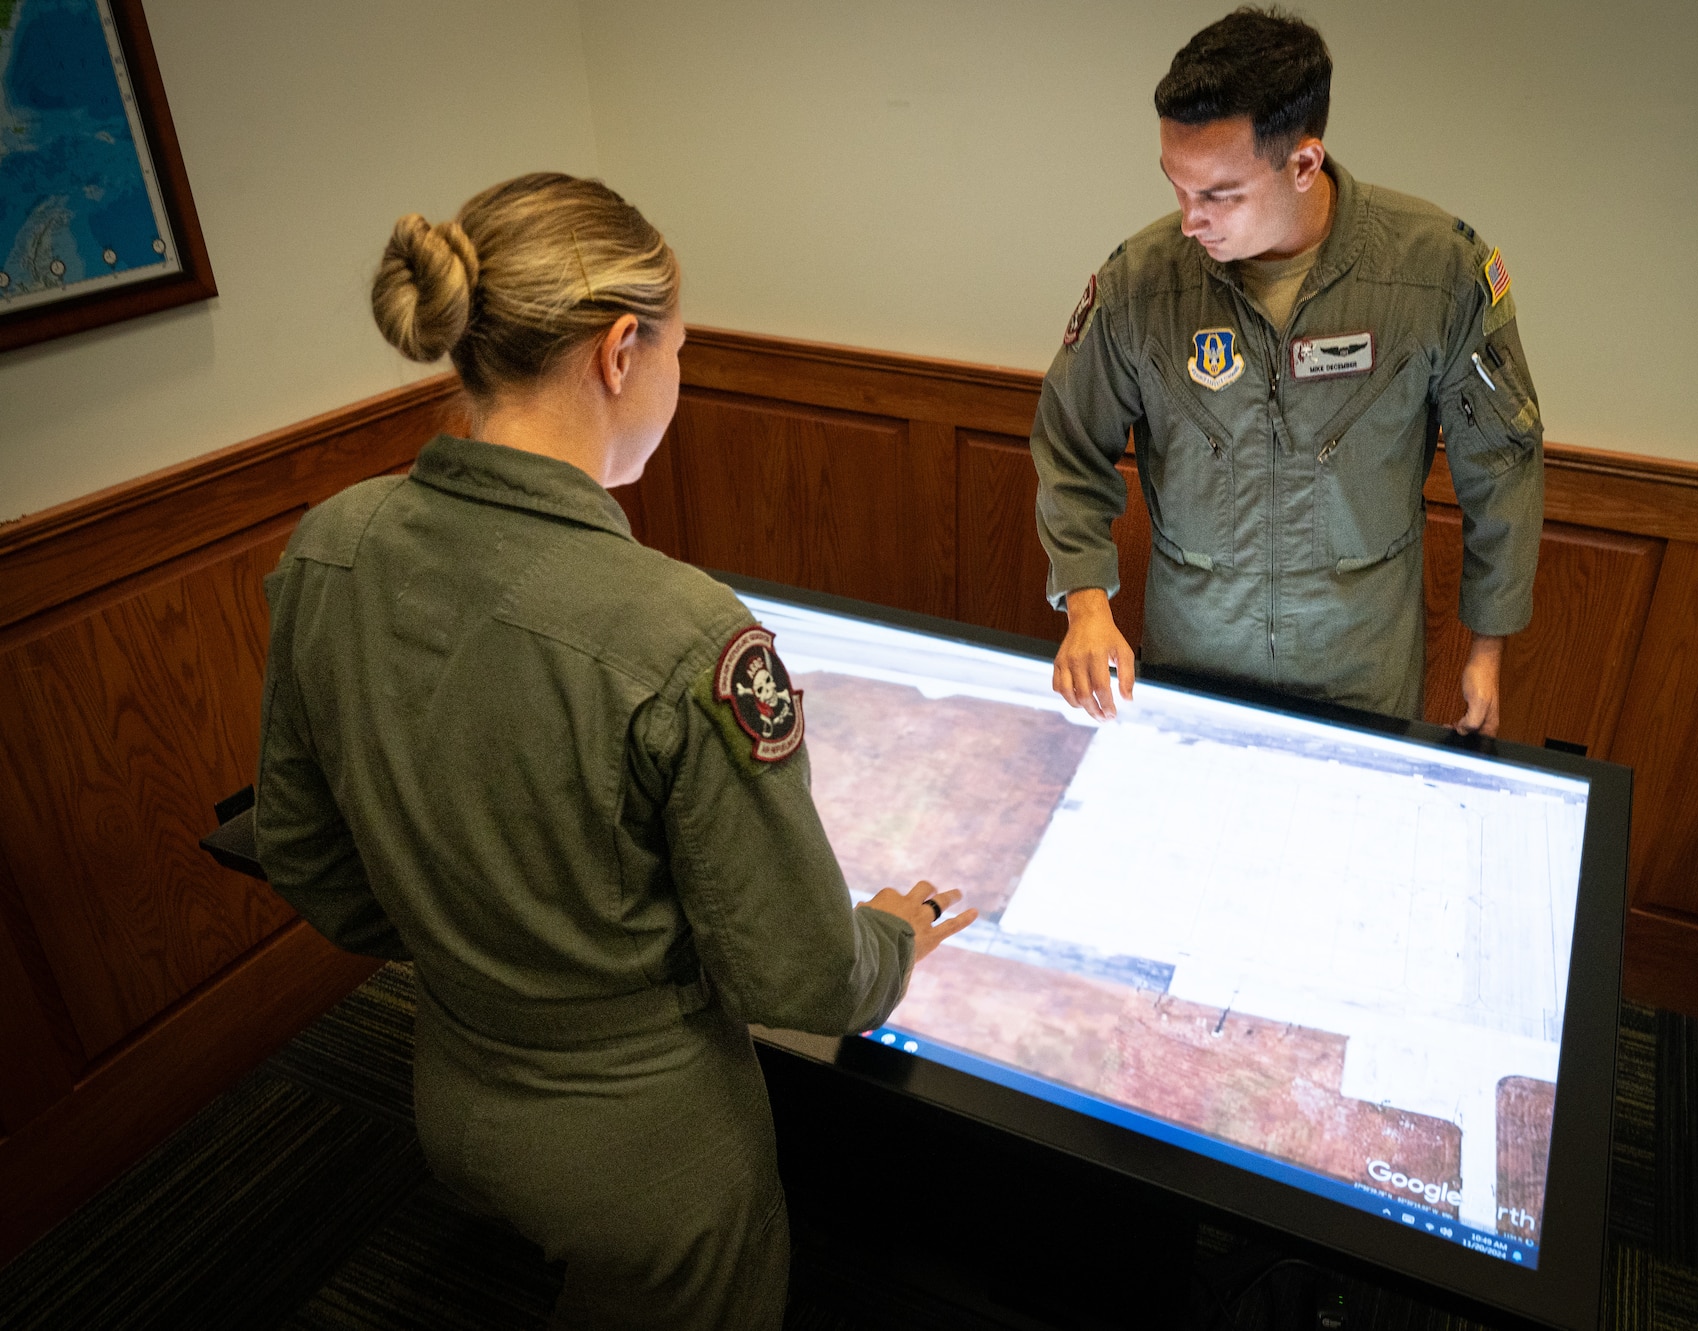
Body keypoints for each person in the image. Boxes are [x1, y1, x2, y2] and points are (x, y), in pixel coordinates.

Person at [254, 172, 975, 1330]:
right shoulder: (684, 630)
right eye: (681, 350)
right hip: (651, 1154)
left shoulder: (332, 540)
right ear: (621, 348)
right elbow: (799, 977)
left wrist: (477, 936)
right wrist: (890, 931)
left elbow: (300, 846)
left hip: (447, 1079)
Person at [1033, 7, 1544, 732]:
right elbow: (1068, 445)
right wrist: (1086, 602)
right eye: (1176, 186)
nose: (1189, 220)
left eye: (1219, 194)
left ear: (1303, 163)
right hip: (1194, 659)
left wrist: (1487, 646)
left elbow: (1501, 464)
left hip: (1359, 672)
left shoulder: (1437, 277)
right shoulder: (1141, 286)